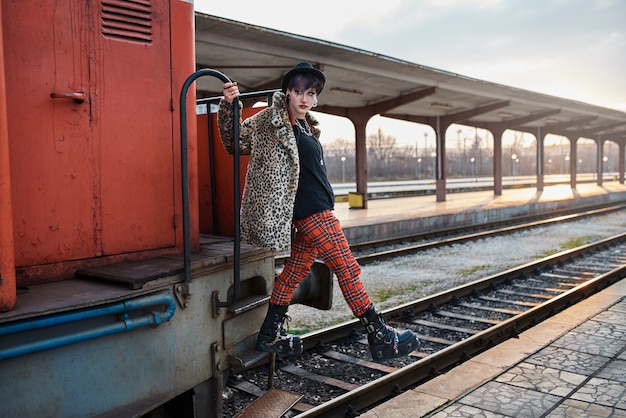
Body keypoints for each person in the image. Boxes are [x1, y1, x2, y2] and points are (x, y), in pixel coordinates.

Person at [218, 62, 419, 362]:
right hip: (311, 214)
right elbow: (235, 142)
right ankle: (379, 334)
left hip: (319, 210)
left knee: (294, 273)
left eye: (310, 93)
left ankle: (269, 333)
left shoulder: (307, 126)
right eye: (298, 91)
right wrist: (228, 106)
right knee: (347, 268)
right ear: (286, 92)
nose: (304, 98)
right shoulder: (269, 122)